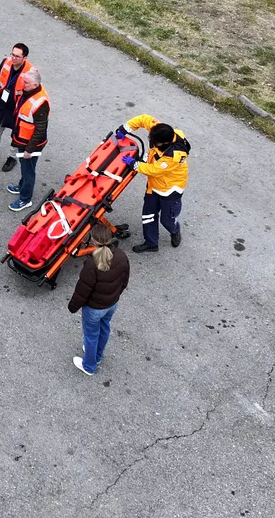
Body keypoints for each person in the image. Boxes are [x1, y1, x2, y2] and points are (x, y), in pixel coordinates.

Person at [116, 115, 190, 253]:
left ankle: (174, 230)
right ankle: (151, 243)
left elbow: (154, 170)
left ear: (164, 143)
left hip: (170, 190)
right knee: (148, 215)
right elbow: (144, 119)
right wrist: (125, 128)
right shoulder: (161, 131)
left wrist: (134, 164)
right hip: (154, 186)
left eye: (155, 142)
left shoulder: (174, 156)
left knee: (167, 220)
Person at [67, 225, 130, 375]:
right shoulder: (121, 256)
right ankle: (98, 356)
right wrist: (115, 296)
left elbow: (82, 290)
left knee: (90, 335)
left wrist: (72, 307)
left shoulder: (91, 264)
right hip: (112, 304)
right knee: (104, 328)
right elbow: (124, 281)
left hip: (94, 308)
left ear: (93, 241)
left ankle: (89, 366)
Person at [0, 43, 32, 172]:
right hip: (0, 103)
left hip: (16, 109)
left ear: (24, 58)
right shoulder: (6, 62)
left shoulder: (30, 72)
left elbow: (32, 93)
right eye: (12, 54)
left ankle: (12, 158)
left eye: (17, 56)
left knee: (15, 136)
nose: (13, 58)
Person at [7, 67, 48, 211]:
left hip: (30, 144)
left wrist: (29, 150)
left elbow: (40, 129)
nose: (23, 84)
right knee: (25, 167)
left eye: (26, 83)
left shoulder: (41, 102)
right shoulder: (30, 92)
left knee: (28, 170)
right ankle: (22, 186)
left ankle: (25, 199)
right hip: (23, 139)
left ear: (35, 85)